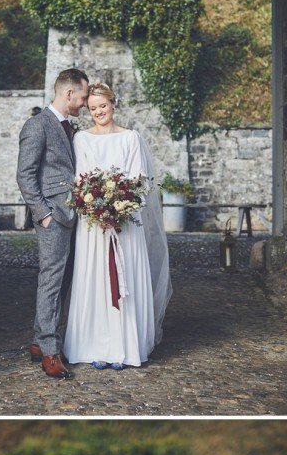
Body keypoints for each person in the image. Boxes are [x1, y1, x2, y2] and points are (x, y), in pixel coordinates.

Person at [64, 82, 172, 370]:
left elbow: (140, 180)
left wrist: (120, 205)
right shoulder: (82, 140)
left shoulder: (130, 138)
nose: (99, 112)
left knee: (128, 284)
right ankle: (97, 346)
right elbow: (80, 179)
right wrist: (96, 208)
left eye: (103, 106)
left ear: (113, 105)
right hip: (94, 226)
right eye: (93, 108)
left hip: (126, 224)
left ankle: (125, 347)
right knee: (96, 281)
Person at [17, 68, 90, 380]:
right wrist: (43, 213)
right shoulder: (37, 125)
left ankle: (38, 341)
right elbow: (24, 174)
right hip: (52, 217)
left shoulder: (69, 127)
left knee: (63, 281)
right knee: (51, 281)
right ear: (69, 93)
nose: (86, 103)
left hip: (72, 215)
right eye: (84, 97)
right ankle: (50, 351)